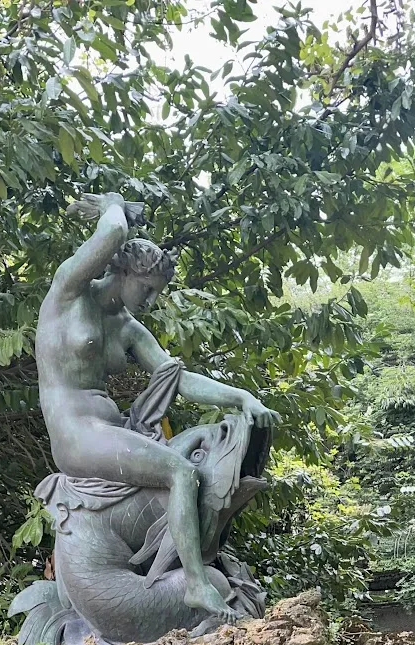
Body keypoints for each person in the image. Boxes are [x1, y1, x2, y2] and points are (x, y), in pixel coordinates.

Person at [36, 192, 278, 620]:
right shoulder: (69, 293)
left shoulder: (128, 327)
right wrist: (114, 203)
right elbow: (112, 231)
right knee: (179, 471)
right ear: (125, 271)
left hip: (110, 432)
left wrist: (241, 397)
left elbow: (178, 379)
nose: (148, 300)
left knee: (184, 467)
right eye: (146, 289)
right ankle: (196, 586)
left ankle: (189, 571)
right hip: (75, 434)